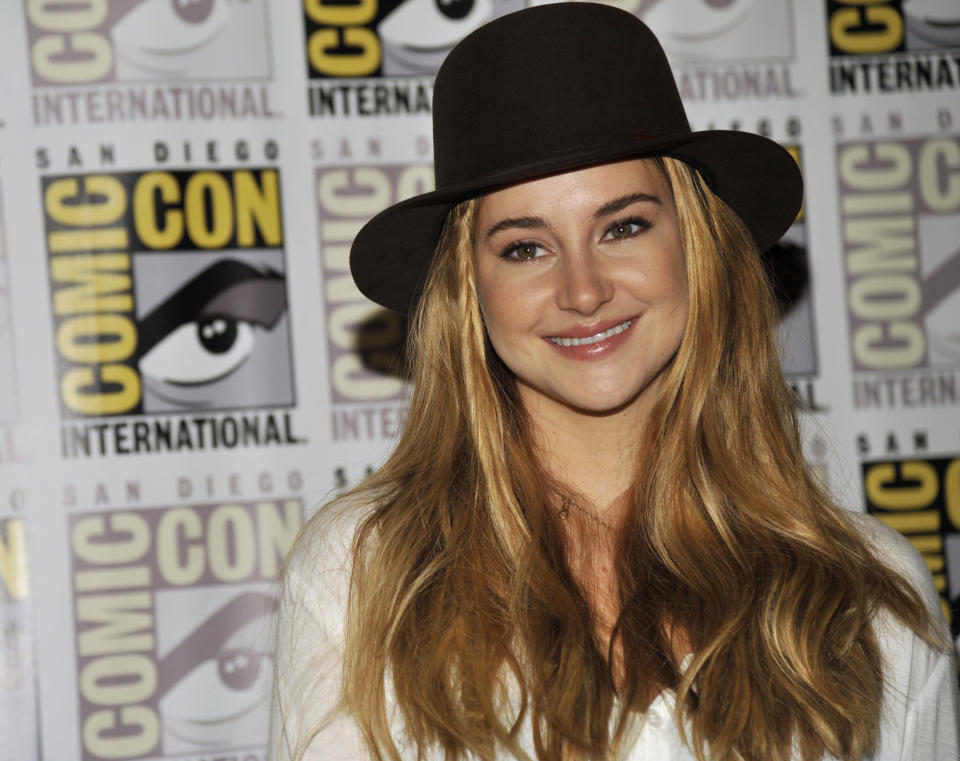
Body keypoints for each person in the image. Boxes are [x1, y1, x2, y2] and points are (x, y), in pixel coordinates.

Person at [270, 4, 959, 760]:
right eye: (526, 247)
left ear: (696, 247)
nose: (585, 289)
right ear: (469, 288)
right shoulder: (364, 575)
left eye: (624, 226)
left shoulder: (867, 593)